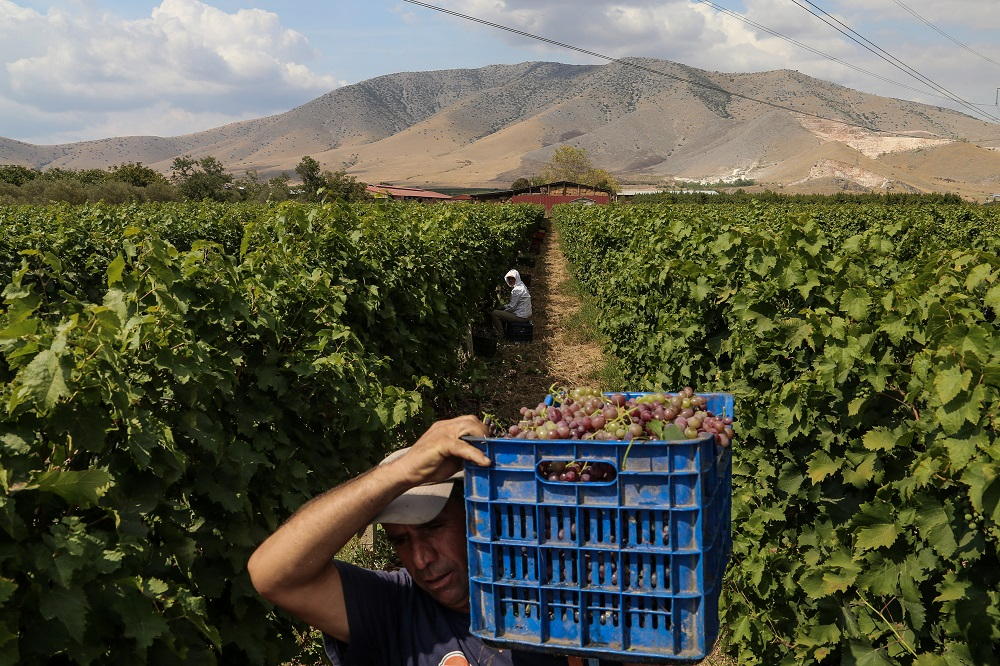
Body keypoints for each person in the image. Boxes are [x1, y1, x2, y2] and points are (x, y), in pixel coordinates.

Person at [247, 416, 639, 666]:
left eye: (433, 528)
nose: (420, 560)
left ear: (478, 518)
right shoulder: (393, 608)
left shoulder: (554, 585)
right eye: (400, 540)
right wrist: (402, 472)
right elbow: (273, 574)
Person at [491, 269, 532, 340]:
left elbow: (512, 307)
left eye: (512, 278)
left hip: (521, 317)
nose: (510, 281)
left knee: (495, 314)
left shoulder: (516, 290)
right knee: (501, 312)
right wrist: (503, 307)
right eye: (509, 279)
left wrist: (503, 311)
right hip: (526, 315)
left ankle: (500, 335)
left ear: (517, 278)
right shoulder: (522, 285)